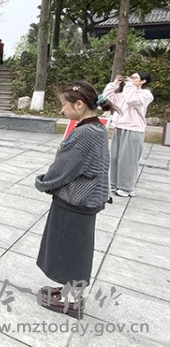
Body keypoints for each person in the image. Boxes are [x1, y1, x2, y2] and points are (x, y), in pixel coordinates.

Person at [36, 81, 114, 320]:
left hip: (76, 200)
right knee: (75, 248)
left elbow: (62, 169)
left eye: (64, 104)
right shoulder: (96, 128)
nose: (62, 109)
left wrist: (42, 182)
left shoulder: (84, 134)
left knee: (68, 250)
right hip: (87, 199)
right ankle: (68, 290)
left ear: (79, 105)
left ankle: (71, 301)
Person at [102, 71, 154, 197]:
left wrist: (129, 85)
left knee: (128, 160)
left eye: (135, 77)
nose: (130, 79)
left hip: (134, 130)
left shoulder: (146, 94)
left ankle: (126, 188)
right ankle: (114, 184)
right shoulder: (125, 93)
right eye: (131, 77)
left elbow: (131, 100)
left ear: (143, 81)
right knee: (115, 158)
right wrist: (115, 84)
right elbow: (107, 97)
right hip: (119, 127)